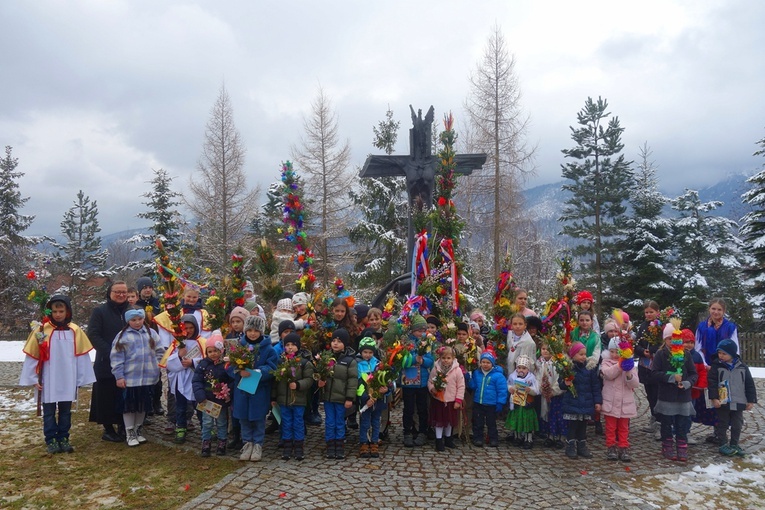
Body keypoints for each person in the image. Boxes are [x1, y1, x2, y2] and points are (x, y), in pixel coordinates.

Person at [20, 295, 95, 454]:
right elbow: (33, 356)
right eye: (55, 311)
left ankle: (64, 437)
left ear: (67, 311)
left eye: (61, 311)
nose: (58, 314)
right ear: (50, 311)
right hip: (48, 378)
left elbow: (81, 356)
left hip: (68, 378)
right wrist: (34, 378)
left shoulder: (75, 330)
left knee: (65, 410)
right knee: (48, 411)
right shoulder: (41, 331)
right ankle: (51, 439)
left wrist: (81, 377)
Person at [110, 307, 163, 447]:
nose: (137, 322)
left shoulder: (151, 333)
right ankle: (130, 432)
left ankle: (138, 429)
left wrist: (157, 365)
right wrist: (119, 376)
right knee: (130, 407)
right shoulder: (122, 336)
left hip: (148, 377)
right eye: (133, 320)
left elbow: (160, 350)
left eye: (140, 319)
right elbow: (116, 358)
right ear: (128, 321)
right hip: (130, 379)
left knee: (142, 406)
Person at [88, 281, 130, 442]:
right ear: (109, 293)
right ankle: (108, 428)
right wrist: (111, 352)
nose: (121, 295)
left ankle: (123, 425)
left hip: (128, 361)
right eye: (117, 292)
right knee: (105, 394)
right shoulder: (100, 311)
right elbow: (93, 334)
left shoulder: (131, 311)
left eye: (124, 292)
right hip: (106, 360)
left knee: (123, 394)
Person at [231, 315, 277, 462]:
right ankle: (247, 443)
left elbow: (272, 368)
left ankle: (258, 444)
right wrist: (238, 370)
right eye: (249, 330)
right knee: (244, 419)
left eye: (255, 330)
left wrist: (255, 373)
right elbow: (229, 366)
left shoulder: (268, 349)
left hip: (259, 390)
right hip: (242, 390)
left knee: (258, 419)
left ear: (261, 331)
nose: (252, 333)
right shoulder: (239, 346)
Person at [651, 324, 698, 462]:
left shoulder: (686, 354)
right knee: (666, 422)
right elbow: (654, 374)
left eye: (675, 338)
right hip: (667, 395)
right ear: (665, 340)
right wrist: (671, 378)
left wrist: (687, 383)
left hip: (683, 396)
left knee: (682, 422)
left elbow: (693, 374)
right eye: (669, 338)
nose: (672, 341)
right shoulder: (661, 354)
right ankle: (667, 445)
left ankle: (682, 445)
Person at [708, 339, 757, 457]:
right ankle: (723, 444)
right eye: (719, 353)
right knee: (722, 423)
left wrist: (751, 400)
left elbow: (749, 383)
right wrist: (714, 398)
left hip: (739, 400)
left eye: (724, 353)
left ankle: (734, 443)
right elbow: (712, 383)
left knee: (737, 424)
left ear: (732, 353)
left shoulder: (742, 367)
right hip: (723, 401)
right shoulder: (716, 366)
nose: (721, 356)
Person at [162, 313, 204, 444]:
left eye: (191, 327)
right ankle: (181, 427)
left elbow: (206, 358)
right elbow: (168, 362)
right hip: (180, 378)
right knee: (180, 405)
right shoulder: (177, 343)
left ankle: (205, 427)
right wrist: (179, 357)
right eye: (185, 328)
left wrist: (193, 362)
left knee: (199, 404)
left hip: (195, 378)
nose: (189, 330)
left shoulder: (201, 342)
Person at [271, 332, 314, 461]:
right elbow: (275, 381)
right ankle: (287, 446)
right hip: (284, 400)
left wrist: (299, 385)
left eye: (293, 345)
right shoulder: (281, 362)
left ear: (298, 346)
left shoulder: (304, 363)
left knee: (298, 422)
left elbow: (309, 379)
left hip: (298, 399)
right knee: (286, 423)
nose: (290, 347)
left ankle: (299, 447)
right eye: (287, 345)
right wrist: (273, 398)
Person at [192, 331, 234, 457]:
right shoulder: (203, 365)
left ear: (221, 350)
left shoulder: (225, 365)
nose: (213, 354)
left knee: (221, 422)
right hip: (207, 400)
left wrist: (227, 392)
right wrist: (200, 396)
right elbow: (197, 381)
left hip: (220, 400)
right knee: (207, 422)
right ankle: (206, 442)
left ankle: (222, 442)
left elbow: (231, 380)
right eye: (210, 351)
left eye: (216, 351)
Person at [318, 328, 357, 460]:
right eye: (333, 341)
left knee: (339, 422)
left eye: (339, 341)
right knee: (329, 422)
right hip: (328, 397)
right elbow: (321, 374)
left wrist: (349, 398)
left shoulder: (350, 361)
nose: (335, 343)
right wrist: (320, 381)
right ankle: (330, 444)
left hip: (341, 398)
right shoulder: (326, 357)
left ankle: (339, 445)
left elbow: (352, 380)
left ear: (345, 344)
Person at [560, 342, 602, 459]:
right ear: (573, 355)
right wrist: (566, 383)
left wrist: (597, 402)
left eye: (585, 354)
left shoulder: (589, 369)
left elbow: (595, 386)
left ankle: (582, 446)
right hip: (573, 402)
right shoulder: (568, 368)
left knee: (583, 426)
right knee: (573, 426)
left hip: (586, 403)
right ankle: (570, 446)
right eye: (580, 354)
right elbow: (561, 384)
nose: (584, 356)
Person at [600, 337, 639, 462]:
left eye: (618, 352)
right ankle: (611, 446)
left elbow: (634, 384)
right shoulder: (606, 362)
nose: (615, 354)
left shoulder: (630, 365)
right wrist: (619, 365)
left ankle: (623, 446)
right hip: (610, 402)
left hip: (624, 403)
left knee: (623, 428)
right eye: (612, 351)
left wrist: (628, 373)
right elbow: (609, 374)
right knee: (610, 427)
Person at [400, 314, 434, 448]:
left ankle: (422, 432)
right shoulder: (406, 341)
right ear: (412, 330)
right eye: (419, 330)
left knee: (422, 408)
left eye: (423, 330)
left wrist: (423, 361)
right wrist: (415, 359)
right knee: (408, 408)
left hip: (422, 382)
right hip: (409, 380)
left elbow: (430, 359)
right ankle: (407, 432)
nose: (421, 333)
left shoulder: (427, 342)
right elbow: (402, 359)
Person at [427, 345, 465, 452]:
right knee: (439, 421)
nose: (446, 360)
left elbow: (461, 386)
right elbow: (430, 381)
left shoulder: (457, 370)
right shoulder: (436, 369)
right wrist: (432, 389)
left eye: (448, 358)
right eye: (443, 358)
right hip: (439, 400)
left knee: (449, 421)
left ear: (453, 358)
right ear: (439, 358)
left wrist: (458, 400)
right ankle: (438, 440)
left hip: (451, 400)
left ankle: (448, 438)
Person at [356, 337, 389, 458]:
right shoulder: (358, 365)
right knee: (365, 422)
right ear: (361, 352)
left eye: (370, 352)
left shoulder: (378, 364)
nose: (368, 355)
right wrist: (365, 398)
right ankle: (364, 442)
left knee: (376, 421)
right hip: (365, 400)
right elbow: (358, 384)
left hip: (378, 399)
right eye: (365, 352)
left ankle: (374, 442)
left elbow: (386, 381)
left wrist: (386, 390)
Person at [135, 276, 163, 416]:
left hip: (156, 339)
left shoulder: (157, 303)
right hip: (142, 340)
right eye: (144, 288)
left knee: (156, 373)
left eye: (149, 287)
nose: (147, 290)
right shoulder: (137, 304)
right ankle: (148, 403)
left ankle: (157, 402)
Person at [468, 351, 508, 447]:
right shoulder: (477, 373)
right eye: (483, 362)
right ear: (480, 363)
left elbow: (502, 390)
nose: (485, 365)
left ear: (492, 364)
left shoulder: (498, 376)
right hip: (479, 402)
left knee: (491, 423)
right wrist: (469, 379)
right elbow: (473, 387)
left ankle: (493, 439)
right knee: (478, 422)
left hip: (491, 404)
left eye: (488, 362)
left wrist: (500, 403)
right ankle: (478, 438)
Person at [572, 310, 602, 435]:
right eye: (582, 320)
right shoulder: (574, 334)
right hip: (574, 367)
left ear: (592, 322)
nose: (584, 323)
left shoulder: (595, 337)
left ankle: (593, 420)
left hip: (589, 368)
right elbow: (569, 349)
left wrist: (588, 363)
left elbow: (597, 352)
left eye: (587, 320)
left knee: (589, 393)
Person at [634, 300, 662, 431]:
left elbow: (663, 343)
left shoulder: (661, 326)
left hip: (657, 364)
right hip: (645, 365)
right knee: (649, 393)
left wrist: (652, 350)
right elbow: (637, 343)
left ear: (657, 312)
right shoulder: (643, 326)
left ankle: (659, 420)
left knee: (657, 393)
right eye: (646, 312)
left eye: (651, 312)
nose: (649, 314)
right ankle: (653, 416)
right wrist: (642, 351)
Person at [224, 306, 249, 451]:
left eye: (238, 321)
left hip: (244, 376)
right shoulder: (230, 337)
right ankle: (236, 435)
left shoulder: (247, 338)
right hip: (232, 376)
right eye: (233, 321)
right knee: (234, 408)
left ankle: (245, 436)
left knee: (242, 407)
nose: (235, 324)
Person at [506, 354, 539, 449]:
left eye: (524, 368)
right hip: (516, 403)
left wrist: (530, 390)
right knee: (516, 420)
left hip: (527, 404)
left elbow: (536, 390)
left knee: (527, 421)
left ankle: (528, 439)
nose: (521, 370)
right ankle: (517, 437)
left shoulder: (531, 378)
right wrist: (510, 389)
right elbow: (508, 384)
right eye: (519, 368)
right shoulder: (513, 376)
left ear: (528, 369)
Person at [537, 342, 566, 448]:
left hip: (556, 395)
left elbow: (560, 379)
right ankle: (549, 436)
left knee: (556, 416)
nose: (545, 351)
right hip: (544, 394)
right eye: (543, 348)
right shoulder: (539, 363)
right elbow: (538, 377)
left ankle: (559, 437)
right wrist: (542, 389)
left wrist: (552, 391)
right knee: (546, 414)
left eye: (548, 349)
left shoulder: (558, 363)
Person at [696, 298, 739, 366]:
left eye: (719, 310)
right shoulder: (702, 327)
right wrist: (705, 365)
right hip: (705, 365)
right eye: (713, 309)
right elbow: (698, 348)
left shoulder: (730, 327)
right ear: (709, 309)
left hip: (725, 365)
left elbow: (734, 348)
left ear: (724, 311)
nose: (716, 312)